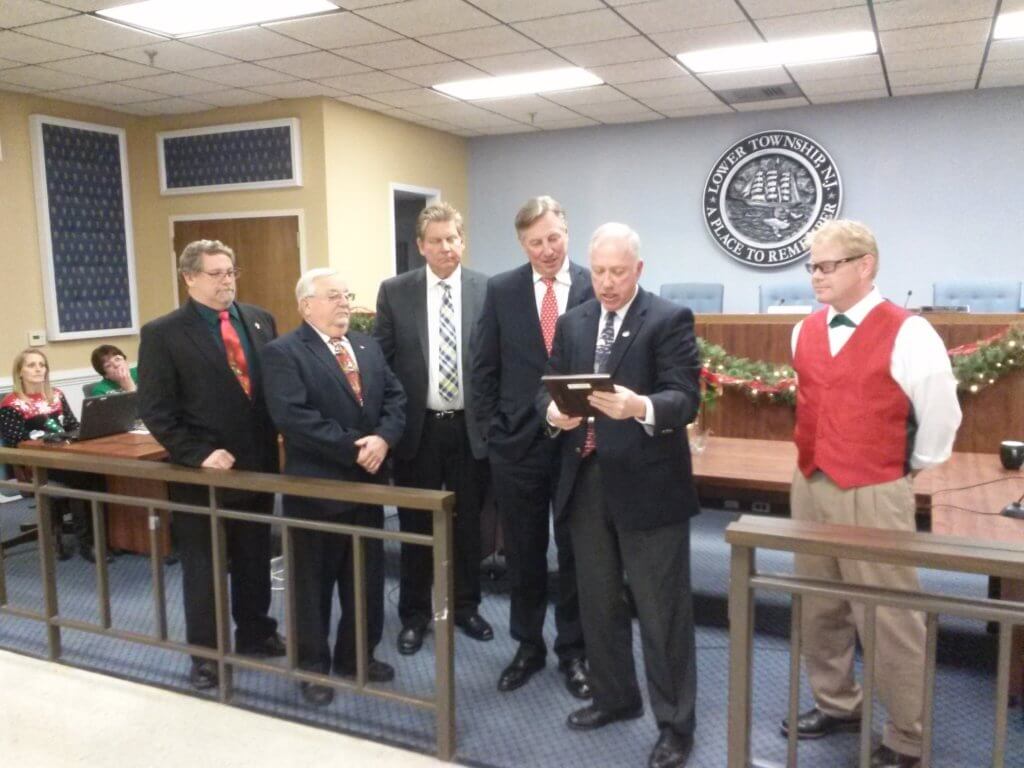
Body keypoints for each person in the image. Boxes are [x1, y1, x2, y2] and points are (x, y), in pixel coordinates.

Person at [780, 220, 961, 768]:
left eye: (827, 265)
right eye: (811, 266)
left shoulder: (910, 333)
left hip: (875, 487)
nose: (816, 276)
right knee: (818, 602)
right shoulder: (802, 330)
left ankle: (907, 736)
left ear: (866, 265)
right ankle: (837, 702)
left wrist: (898, 473)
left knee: (888, 615)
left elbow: (940, 421)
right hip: (810, 482)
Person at [540, 223, 700, 768]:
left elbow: (685, 399)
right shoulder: (574, 321)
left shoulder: (667, 319)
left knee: (662, 612)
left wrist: (641, 407)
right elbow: (557, 389)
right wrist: (554, 414)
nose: (606, 283)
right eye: (600, 271)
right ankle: (615, 697)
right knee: (598, 602)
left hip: (649, 486)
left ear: (638, 269)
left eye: (617, 272)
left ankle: (676, 724)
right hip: (585, 480)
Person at [138, 239, 284, 691]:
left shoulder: (259, 319)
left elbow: (270, 389)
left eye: (231, 271)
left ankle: (255, 632)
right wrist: (198, 453)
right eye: (217, 273)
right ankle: (205, 655)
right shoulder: (163, 333)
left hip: (257, 464)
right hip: (203, 471)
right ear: (190, 278)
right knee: (204, 568)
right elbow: (158, 409)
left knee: (255, 556)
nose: (228, 280)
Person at [263, 268, 406, 707]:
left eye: (346, 295)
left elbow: (396, 398)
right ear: (307, 305)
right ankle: (312, 668)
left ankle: (356, 658)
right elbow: (295, 418)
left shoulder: (367, 345)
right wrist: (355, 449)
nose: (344, 303)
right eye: (333, 296)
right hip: (318, 491)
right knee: (312, 588)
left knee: (364, 581)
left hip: (367, 488)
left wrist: (383, 439)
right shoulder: (284, 352)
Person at [471, 195, 592, 698]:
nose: (547, 250)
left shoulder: (594, 284)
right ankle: (528, 646)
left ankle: (574, 650)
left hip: (578, 448)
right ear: (522, 243)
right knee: (523, 552)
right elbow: (483, 369)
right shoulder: (501, 290)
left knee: (575, 552)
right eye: (535, 242)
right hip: (516, 446)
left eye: (554, 238)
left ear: (567, 231)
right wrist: (494, 435)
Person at [375, 202, 492, 655]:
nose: (446, 248)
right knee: (415, 526)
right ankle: (414, 614)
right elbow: (383, 366)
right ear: (421, 246)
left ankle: (466, 606)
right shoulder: (395, 292)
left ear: (462, 241)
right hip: (418, 431)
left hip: (470, 430)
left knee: (467, 528)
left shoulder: (488, 290)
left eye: (453, 239)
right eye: (437, 241)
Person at [1, 348, 106, 563]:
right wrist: (53, 441)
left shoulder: (56, 395)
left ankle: (105, 538)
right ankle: (88, 543)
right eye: (31, 365)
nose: (38, 369)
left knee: (98, 474)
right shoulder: (11, 404)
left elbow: (73, 425)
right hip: (34, 465)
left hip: (65, 456)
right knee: (83, 478)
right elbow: (16, 443)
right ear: (20, 372)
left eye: (42, 364)